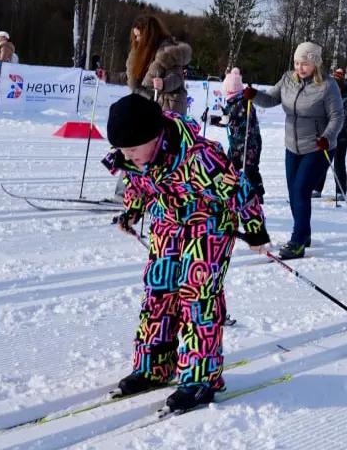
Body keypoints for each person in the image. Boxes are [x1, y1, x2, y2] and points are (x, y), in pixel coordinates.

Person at [101, 93, 270, 414]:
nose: (127, 156)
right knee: (158, 292)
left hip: (208, 226)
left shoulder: (199, 156)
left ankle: (199, 379)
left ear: (155, 136)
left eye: (133, 149)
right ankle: (153, 367)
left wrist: (255, 231)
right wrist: (131, 213)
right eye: (122, 150)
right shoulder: (134, 157)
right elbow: (139, 185)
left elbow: (239, 191)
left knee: (197, 295)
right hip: (167, 224)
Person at [248, 41, 344, 259]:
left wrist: (327, 138)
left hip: (318, 146)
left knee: (301, 190)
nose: (300, 68)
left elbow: (337, 117)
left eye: (305, 64)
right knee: (293, 194)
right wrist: (254, 94)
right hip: (292, 145)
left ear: (316, 64)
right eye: (297, 63)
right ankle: (305, 232)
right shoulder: (288, 79)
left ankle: (298, 240)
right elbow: (271, 98)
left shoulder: (328, 86)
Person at [126, 15, 193, 115]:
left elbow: (177, 77)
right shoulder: (143, 54)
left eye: (139, 36)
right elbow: (133, 77)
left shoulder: (168, 51)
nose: (136, 39)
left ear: (148, 35)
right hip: (150, 104)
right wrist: (108, 76)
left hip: (169, 107)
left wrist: (163, 83)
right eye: (135, 36)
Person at [221, 68, 264, 203]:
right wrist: (212, 119)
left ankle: (258, 194)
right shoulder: (231, 103)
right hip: (236, 143)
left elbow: (246, 123)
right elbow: (226, 121)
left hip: (250, 143)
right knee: (229, 167)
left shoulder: (245, 102)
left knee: (250, 169)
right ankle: (230, 191)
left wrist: (230, 120)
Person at [315, 68, 347, 202]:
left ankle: (340, 191)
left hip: (342, 136)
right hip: (328, 135)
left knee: (338, 162)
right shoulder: (328, 93)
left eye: (337, 81)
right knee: (323, 162)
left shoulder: (346, 95)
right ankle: (316, 188)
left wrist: (337, 123)